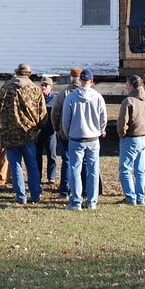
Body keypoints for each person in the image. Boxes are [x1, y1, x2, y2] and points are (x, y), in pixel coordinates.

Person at [0, 63, 47, 204]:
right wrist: (39, 128)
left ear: (17, 73)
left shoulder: (6, 89)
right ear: (29, 73)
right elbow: (43, 114)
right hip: (28, 134)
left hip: (9, 135)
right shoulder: (35, 90)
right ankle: (35, 194)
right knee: (32, 164)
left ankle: (20, 196)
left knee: (15, 165)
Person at [60, 69, 106, 210]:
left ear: (80, 80)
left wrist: (68, 133)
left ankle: (75, 201)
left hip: (76, 137)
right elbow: (103, 118)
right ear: (91, 81)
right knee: (93, 169)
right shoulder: (98, 97)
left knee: (75, 169)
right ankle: (92, 201)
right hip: (93, 138)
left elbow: (65, 120)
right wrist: (100, 130)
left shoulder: (71, 97)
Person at [117, 75, 145, 205]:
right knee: (140, 171)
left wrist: (122, 134)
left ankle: (130, 197)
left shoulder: (128, 101)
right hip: (144, 138)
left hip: (131, 138)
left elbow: (122, 122)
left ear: (132, 85)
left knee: (125, 169)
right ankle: (140, 197)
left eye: (127, 85)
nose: (126, 87)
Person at [51, 68, 83, 198]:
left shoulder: (64, 93)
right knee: (85, 162)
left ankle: (65, 189)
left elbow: (55, 113)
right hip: (84, 134)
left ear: (71, 78)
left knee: (67, 161)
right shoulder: (91, 93)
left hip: (66, 133)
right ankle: (85, 189)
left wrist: (57, 128)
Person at [36, 77, 58, 184]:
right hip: (38, 131)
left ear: (51, 87)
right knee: (37, 154)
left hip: (50, 131)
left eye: (46, 85)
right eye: (42, 85)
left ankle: (51, 177)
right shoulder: (36, 98)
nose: (43, 87)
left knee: (52, 155)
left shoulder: (55, 99)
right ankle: (38, 176)